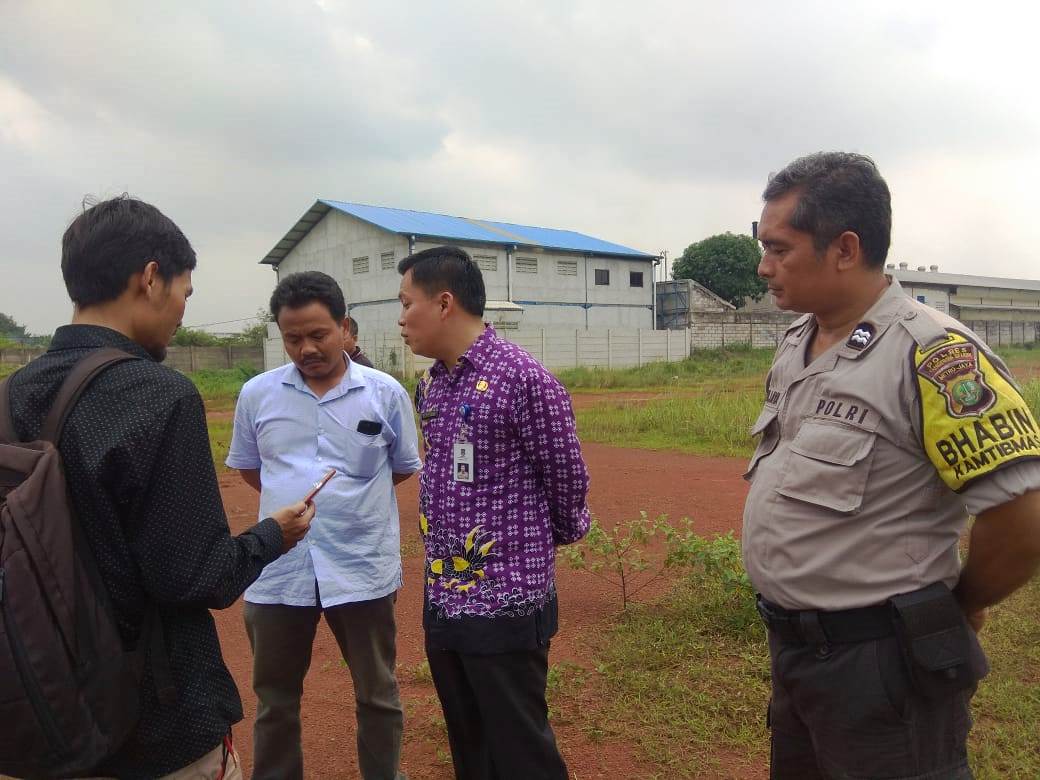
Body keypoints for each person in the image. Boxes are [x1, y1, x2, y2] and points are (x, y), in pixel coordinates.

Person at [744, 152, 1040, 779]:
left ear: (845, 249)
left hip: (883, 665)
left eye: (779, 248)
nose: (763, 266)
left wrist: (960, 605)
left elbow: (1022, 518)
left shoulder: (934, 355)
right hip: (797, 656)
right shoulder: (799, 343)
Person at [1, 196, 314, 779]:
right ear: (150, 278)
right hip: (153, 722)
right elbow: (195, 577)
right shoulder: (158, 396)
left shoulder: (11, 395)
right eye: (184, 294)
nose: (180, 313)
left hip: (36, 709)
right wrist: (275, 535)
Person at [397, 245, 591, 780]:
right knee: (468, 742)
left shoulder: (525, 380)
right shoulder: (433, 382)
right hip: (445, 593)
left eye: (405, 302)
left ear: (443, 303)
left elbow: (567, 479)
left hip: (506, 599)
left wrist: (532, 544)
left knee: (520, 746)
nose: (400, 317)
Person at [226, 271, 421, 780]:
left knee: (377, 692)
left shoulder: (385, 393)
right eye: (293, 338)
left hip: (361, 566)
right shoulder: (257, 395)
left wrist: (350, 505)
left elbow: (401, 466)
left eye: (318, 335)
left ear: (344, 327)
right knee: (275, 699)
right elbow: (251, 468)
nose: (306, 348)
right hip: (278, 570)